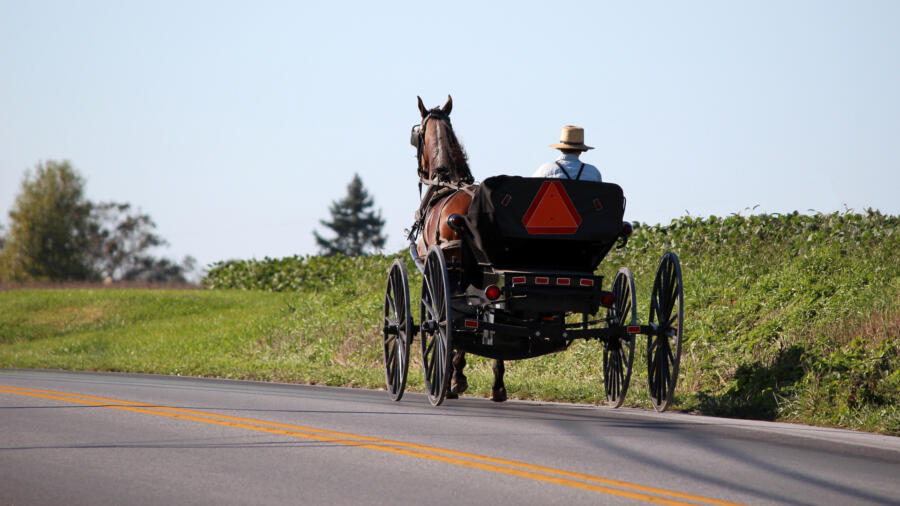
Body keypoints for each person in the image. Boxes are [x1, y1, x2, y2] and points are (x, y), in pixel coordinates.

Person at [532, 125, 602, 182]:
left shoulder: (545, 169)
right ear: (581, 151)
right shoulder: (593, 172)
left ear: (560, 149)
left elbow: (532, 189)